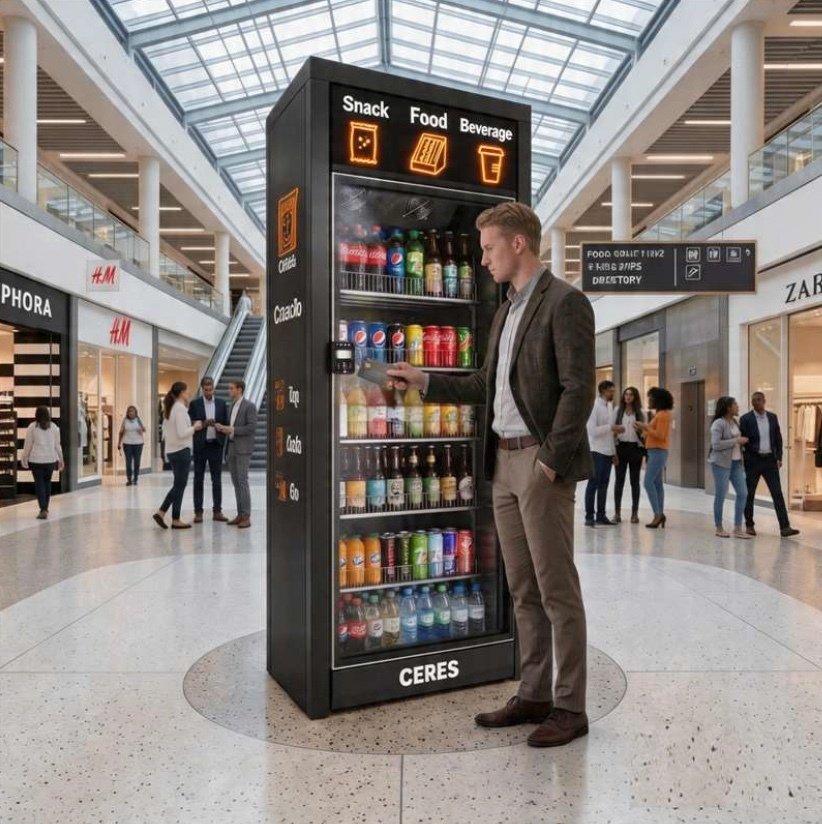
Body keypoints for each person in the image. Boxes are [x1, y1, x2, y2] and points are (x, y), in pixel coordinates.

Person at [388, 201, 594, 749]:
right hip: (501, 462)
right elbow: (484, 384)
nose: (482, 259)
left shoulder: (566, 302)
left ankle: (570, 706)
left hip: (538, 463)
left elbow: (581, 388)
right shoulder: (504, 311)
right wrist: (425, 378)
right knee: (522, 587)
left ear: (518, 244)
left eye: (488, 247)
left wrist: (550, 459)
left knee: (556, 588)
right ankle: (534, 693)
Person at [739, 392, 799, 538]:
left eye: (759, 400)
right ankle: (749, 525)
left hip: (770, 461)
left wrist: (779, 457)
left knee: (777, 493)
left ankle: (785, 527)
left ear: (764, 401)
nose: (756, 402)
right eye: (753, 400)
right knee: (749, 494)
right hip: (753, 461)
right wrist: (745, 457)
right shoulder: (746, 419)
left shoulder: (772, 417)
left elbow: (778, 438)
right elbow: (743, 440)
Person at [154, 382, 202, 530]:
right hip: (181, 451)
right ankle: (162, 512)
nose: (189, 394)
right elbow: (182, 433)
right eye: (187, 391)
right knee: (179, 485)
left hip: (173, 450)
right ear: (182, 393)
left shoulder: (172, 408)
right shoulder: (180, 409)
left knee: (179, 485)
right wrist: (195, 427)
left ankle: (174, 518)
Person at [707, 396, 753, 539]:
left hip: (736, 463)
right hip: (721, 463)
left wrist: (740, 443)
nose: (738, 407)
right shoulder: (718, 424)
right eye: (735, 404)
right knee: (721, 494)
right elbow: (716, 445)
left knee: (743, 493)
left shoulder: (735, 422)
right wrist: (736, 441)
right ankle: (719, 527)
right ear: (728, 407)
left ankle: (738, 527)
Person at [216, 380, 257, 529]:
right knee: (236, 483)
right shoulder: (232, 406)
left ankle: (246, 516)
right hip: (231, 448)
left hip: (243, 449)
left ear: (239, 389)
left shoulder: (249, 406)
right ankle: (240, 514)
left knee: (242, 482)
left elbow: (251, 428)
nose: (229, 390)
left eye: (231, 388)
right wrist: (225, 429)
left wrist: (232, 429)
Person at [188, 376, 229, 523]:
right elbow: (190, 422)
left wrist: (219, 427)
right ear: (202, 389)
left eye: (210, 389)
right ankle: (198, 512)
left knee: (216, 480)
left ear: (214, 388)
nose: (208, 392)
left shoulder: (221, 403)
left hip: (215, 445)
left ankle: (217, 511)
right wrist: (204, 424)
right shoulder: (195, 404)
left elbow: (226, 423)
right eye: (206, 390)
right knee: (198, 479)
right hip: (201, 445)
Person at [635, 386, 673, 529]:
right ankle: (659, 514)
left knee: (648, 482)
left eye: (651, 398)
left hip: (658, 452)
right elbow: (652, 433)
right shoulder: (659, 415)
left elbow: (660, 435)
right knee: (657, 484)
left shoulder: (663, 415)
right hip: (655, 451)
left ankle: (658, 514)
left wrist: (645, 426)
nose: (649, 400)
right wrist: (643, 429)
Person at [584, 380, 620, 527]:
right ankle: (589, 516)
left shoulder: (610, 407)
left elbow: (610, 434)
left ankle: (601, 515)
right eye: (611, 391)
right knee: (593, 484)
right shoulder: (594, 406)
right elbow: (592, 431)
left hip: (607, 452)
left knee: (604, 485)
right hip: (596, 451)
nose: (613, 393)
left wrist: (614, 452)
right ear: (603, 391)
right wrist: (611, 427)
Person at [21, 405, 64, 520]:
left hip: (36, 460)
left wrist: (24, 458)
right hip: (50, 460)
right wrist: (61, 459)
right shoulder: (54, 427)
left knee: (39, 483)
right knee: (47, 483)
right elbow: (57, 445)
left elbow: (28, 445)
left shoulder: (32, 427)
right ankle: (45, 508)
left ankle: (43, 509)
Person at [613, 386, 645, 524]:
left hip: (635, 449)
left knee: (635, 482)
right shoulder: (617, 411)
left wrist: (642, 430)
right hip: (621, 448)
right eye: (626, 394)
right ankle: (617, 513)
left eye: (631, 395)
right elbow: (612, 430)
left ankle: (634, 513)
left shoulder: (640, 413)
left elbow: (645, 434)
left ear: (635, 397)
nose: (628, 397)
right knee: (619, 481)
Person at [117, 406, 146, 486]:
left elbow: (144, 429)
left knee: (137, 462)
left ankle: (135, 478)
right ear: (127, 413)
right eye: (129, 411)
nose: (131, 413)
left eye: (132, 411)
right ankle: (129, 479)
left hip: (138, 444)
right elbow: (121, 432)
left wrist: (141, 430)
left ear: (135, 413)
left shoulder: (138, 420)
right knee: (128, 463)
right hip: (127, 444)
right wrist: (119, 443)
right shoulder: (125, 421)